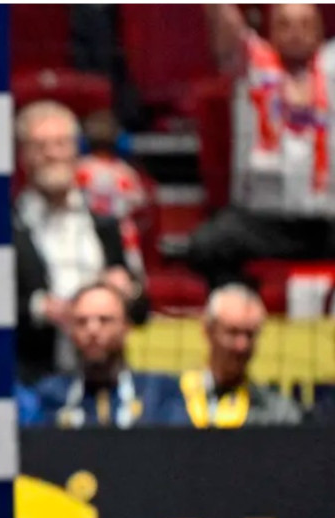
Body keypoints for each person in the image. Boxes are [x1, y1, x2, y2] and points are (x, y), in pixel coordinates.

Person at [190, 4, 335, 290]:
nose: (296, 33)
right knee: (205, 246)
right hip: (261, 220)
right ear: (271, 31)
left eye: (305, 25)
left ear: (321, 32)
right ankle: (243, 303)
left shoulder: (331, 69)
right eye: (285, 25)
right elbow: (223, 18)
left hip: (325, 220)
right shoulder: (251, 65)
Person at [13, 100, 148, 385]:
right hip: (35, 379)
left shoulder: (106, 224)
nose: (52, 154)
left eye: (61, 143)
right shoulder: (6, 228)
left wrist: (128, 292)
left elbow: (141, 310)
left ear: (76, 150)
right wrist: (41, 309)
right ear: (23, 156)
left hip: (105, 380)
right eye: (40, 146)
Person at [18, 283, 188, 428]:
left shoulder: (158, 393)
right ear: (71, 332)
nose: (93, 330)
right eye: (82, 322)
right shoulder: (49, 396)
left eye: (105, 320)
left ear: (126, 328)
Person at [179, 284, 302, 427]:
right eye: (233, 332)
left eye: (250, 335)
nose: (242, 346)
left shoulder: (278, 414)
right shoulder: (171, 401)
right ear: (208, 330)